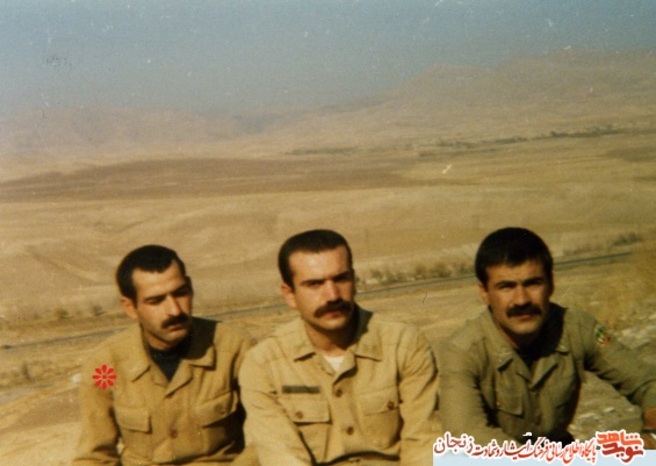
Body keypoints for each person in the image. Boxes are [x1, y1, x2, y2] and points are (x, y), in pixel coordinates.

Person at [438, 227, 656, 448]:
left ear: (551, 283)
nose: (521, 300)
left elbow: (646, 382)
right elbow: (465, 436)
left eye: (533, 283)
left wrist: (651, 434)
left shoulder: (576, 328)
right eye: (506, 287)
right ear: (484, 292)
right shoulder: (462, 352)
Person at [239, 229, 439, 465]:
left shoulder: (404, 344)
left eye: (341, 279)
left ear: (354, 280)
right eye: (314, 284)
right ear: (290, 294)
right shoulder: (263, 365)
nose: (332, 295)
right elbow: (283, 457)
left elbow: (423, 445)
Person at [72, 245, 256, 465]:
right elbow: (95, 456)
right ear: (130, 307)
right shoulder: (105, 368)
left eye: (180, 293)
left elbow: (271, 436)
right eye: (155, 301)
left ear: (190, 288)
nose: (174, 310)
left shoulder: (236, 350)